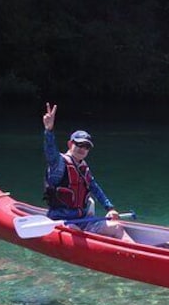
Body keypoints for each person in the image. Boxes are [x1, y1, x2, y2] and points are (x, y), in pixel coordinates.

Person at [42, 103, 132, 241]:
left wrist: (110, 208)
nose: (83, 149)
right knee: (77, 234)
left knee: (117, 227)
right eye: (79, 144)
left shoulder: (84, 168)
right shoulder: (58, 164)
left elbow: (95, 189)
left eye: (86, 147)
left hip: (84, 220)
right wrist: (49, 130)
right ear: (70, 144)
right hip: (62, 221)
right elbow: (50, 152)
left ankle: (131, 255)